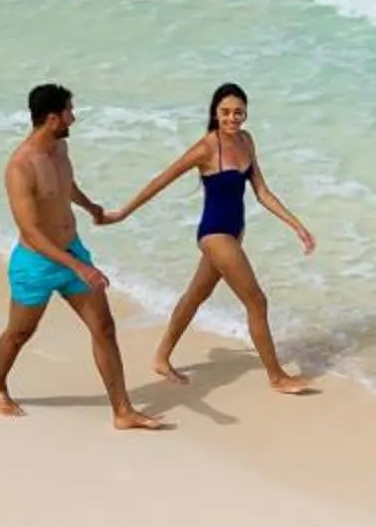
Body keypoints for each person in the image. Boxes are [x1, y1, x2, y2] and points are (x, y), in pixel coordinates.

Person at [108, 81, 318, 394]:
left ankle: (161, 357)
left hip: (235, 232)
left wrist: (296, 225)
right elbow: (161, 180)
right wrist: (122, 212)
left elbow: (261, 191)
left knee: (195, 296)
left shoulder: (246, 141)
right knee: (257, 302)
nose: (233, 118)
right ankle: (276, 376)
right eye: (226, 112)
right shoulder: (207, 147)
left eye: (238, 112)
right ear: (215, 113)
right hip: (215, 234)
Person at [0, 82, 170, 431]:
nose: (75, 116)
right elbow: (31, 233)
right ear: (53, 118)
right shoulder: (20, 167)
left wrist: (90, 207)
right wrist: (79, 267)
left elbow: (65, 186)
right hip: (37, 263)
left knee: (104, 327)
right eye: (71, 110)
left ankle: (122, 411)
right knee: (19, 333)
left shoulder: (60, 150)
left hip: (73, 251)